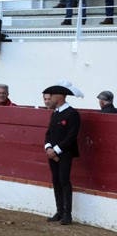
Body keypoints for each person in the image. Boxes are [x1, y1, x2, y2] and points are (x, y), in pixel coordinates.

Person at [42, 84, 82, 225]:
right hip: (52, 153)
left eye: (51, 96)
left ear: (59, 96)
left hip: (65, 153)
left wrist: (56, 150)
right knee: (56, 181)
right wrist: (48, 148)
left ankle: (67, 214)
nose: (49, 99)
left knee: (64, 181)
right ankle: (59, 211)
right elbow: (49, 133)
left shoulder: (72, 114)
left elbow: (72, 136)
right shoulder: (56, 113)